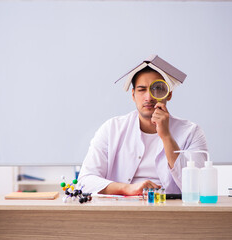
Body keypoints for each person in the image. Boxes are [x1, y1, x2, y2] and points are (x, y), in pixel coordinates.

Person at [78, 64, 208, 195]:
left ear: (169, 94)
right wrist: (127, 188)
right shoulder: (112, 129)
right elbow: (85, 181)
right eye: (141, 89)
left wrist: (166, 136)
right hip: (122, 209)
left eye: (157, 88)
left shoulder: (191, 132)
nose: (149, 97)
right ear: (133, 95)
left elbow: (199, 187)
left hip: (172, 210)